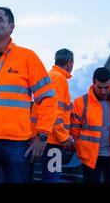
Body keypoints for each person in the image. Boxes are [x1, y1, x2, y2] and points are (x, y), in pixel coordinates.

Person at [0, 5, 57, 183]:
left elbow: (48, 98)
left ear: (11, 26)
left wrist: (42, 135)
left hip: (16, 142)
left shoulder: (28, 57)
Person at [70, 67, 110, 183]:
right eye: (100, 87)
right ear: (93, 83)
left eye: (106, 87)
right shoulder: (81, 102)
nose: (103, 91)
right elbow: (74, 129)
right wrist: (81, 147)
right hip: (89, 157)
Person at [30, 48, 74, 183]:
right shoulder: (60, 79)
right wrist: (63, 136)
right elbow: (54, 112)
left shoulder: (50, 76)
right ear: (69, 62)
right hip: (52, 140)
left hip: (44, 136)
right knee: (52, 177)